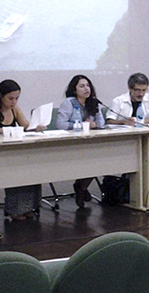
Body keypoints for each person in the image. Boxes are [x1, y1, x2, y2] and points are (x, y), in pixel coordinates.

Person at [0, 79, 46, 221]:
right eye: (10, 98)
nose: (14, 102)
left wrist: (36, 127)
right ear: (0, 96)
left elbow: (26, 126)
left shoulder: (14, 108)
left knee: (29, 162)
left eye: (17, 98)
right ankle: (15, 209)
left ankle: (29, 206)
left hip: (6, 151)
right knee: (15, 165)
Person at [56, 74, 105, 208]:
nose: (86, 89)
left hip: (91, 142)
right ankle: (81, 187)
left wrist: (94, 125)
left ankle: (81, 187)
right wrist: (80, 125)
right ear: (74, 89)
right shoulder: (69, 103)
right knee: (90, 159)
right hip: (72, 143)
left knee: (98, 159)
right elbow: (60, 124)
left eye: (88, 85)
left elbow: (101, 122)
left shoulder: (93, 102)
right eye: (82, 86)